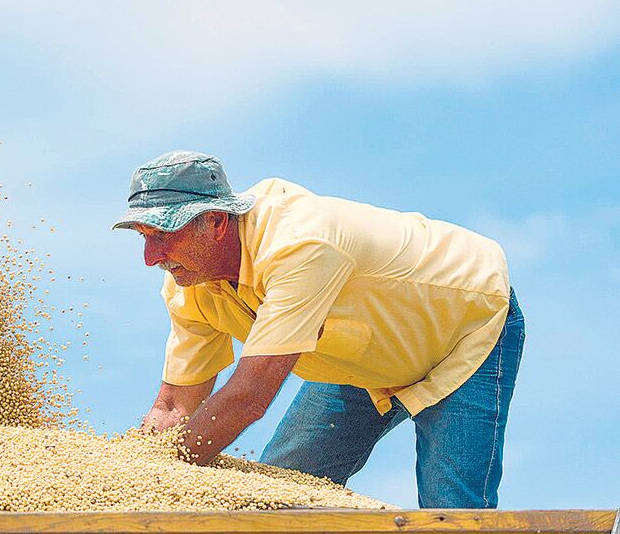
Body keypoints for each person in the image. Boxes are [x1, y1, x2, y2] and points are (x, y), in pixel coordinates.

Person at [114, 150, 524, 508]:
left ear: (217, 221)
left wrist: (159, 477)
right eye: (144, 237)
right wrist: (139, 464)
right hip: (361, 359)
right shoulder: (190, 284)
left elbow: (248, 398)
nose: (151, 257)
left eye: (164, 235)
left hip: (465, 326)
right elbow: (174, 407)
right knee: (278, 493)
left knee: (449, 510)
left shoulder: (300, 245)